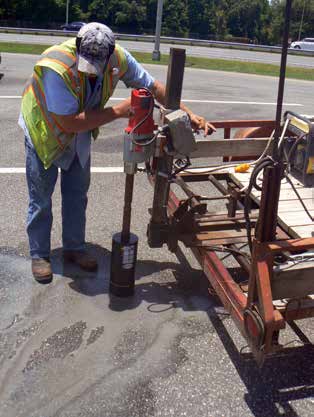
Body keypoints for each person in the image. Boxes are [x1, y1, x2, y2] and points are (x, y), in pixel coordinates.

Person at [19, 22, 216, 284]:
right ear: (78, 49)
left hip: (78, 132)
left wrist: (188, 113)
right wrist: (118, 111)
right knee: (41, 198)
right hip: (45, 130)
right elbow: (68, 122)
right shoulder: (56, 66)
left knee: (77, 194)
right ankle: (40, 255)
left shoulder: (118, 58)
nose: (91, 73)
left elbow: (154, 88)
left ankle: (74, 249)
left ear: (110, 53)